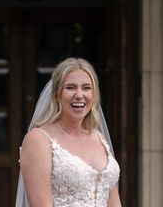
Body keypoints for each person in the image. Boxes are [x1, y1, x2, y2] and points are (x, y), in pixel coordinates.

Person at [16, 58, 121, 207]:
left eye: (86, 88)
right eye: (70, 87)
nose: (79, 95)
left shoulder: (99, 138)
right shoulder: (39, 139)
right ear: (57, 94)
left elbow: (113, 201)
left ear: (94, 95)